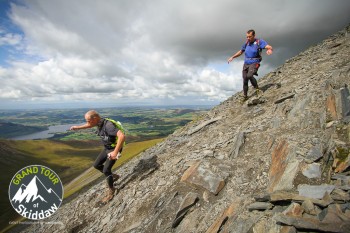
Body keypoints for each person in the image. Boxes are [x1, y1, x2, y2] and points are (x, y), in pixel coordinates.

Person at [70, 110, 125, 203]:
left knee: (106, 170)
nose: (88, 123)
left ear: (95, 118)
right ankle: (113, 176)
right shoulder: (99, 123)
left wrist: (115, 152)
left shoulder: (108, 125)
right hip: (107, 148)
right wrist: (77, 127)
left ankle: (112, 190)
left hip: (114, 149)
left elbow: (122, 136)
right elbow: (90, 125)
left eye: (88, 120)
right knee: (96, 165)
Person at [228, 29, 273, 102]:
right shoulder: (246, 44)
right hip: (246, 63)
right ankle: (245, 96)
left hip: (255, 62)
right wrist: (232, 57)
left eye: (250, 37)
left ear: (254, 36)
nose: (248, 38)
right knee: (245, 79)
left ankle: (257, 89)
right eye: (247, 37)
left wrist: (270, 49)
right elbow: (240, 52)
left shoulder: (259, 42)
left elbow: (268, 46)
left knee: (249, 76)